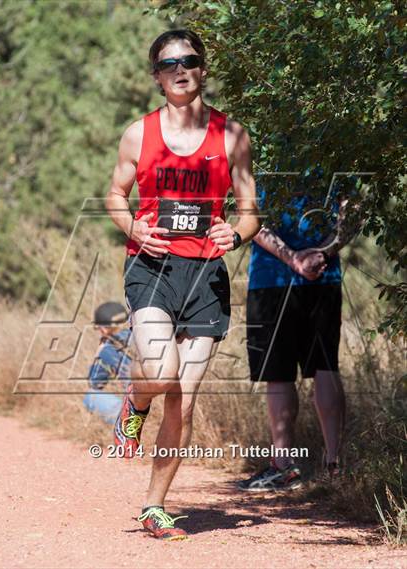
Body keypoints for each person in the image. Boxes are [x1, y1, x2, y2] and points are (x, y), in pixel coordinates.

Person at [106, 29, 260, 540]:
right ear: (156, 75)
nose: (180, 69)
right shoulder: (138, 134)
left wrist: (234, 234)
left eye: (189, 60)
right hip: (151, 267)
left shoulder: (233, 135)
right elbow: (114, 195)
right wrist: (133, 227)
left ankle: (155, 506)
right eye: (169, 62)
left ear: (202, 68)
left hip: (206, 275)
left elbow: (250, 212)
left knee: (186, 399)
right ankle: (137, 399)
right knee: (162, 371)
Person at [239, 176, 358, 492]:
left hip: (271, 277)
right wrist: (322, 252)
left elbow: (249, 218)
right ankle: (334, 465)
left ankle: (283, 467)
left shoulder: (258, 145)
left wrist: (292, 258)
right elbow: (351, 213)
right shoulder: (335, 138)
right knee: (324, 366)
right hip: (321, 274)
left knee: (280, 374)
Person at [83, 302, 132, 424]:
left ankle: (124, 426)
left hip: (138, 406)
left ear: (104, 328)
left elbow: (94, 383)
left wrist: (98, 353)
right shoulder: (140, 334)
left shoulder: (108, 349)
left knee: (91, 396)